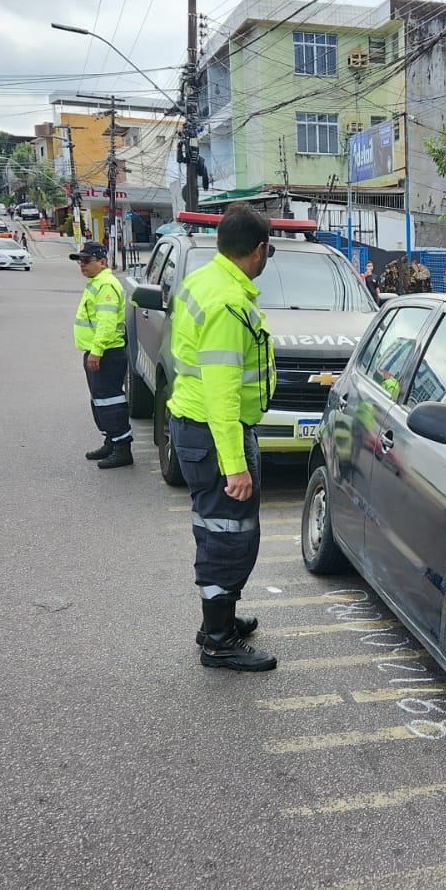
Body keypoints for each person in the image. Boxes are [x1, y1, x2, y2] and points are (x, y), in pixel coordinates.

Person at [166, 203, 278, 672]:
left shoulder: (204, 280)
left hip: (197, 428)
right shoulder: (229, 306)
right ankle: (217, 640)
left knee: (217, 528)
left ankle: (221, 618)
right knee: (227, 534)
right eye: (267, 250)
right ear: (258, 250)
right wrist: (235, 465)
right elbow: (222, 395)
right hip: (216, 435)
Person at [70, 240, 133, 469]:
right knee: (101, 401)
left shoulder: (106, 285)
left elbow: (106, 324)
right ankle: (111, 440)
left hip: (106, 353)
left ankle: (122, 447)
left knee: (110, 401)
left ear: (103, 262)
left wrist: (96, 352)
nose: (82, 265)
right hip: (99, 352)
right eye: (80, 261)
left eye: (87, 260)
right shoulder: (97, 282)